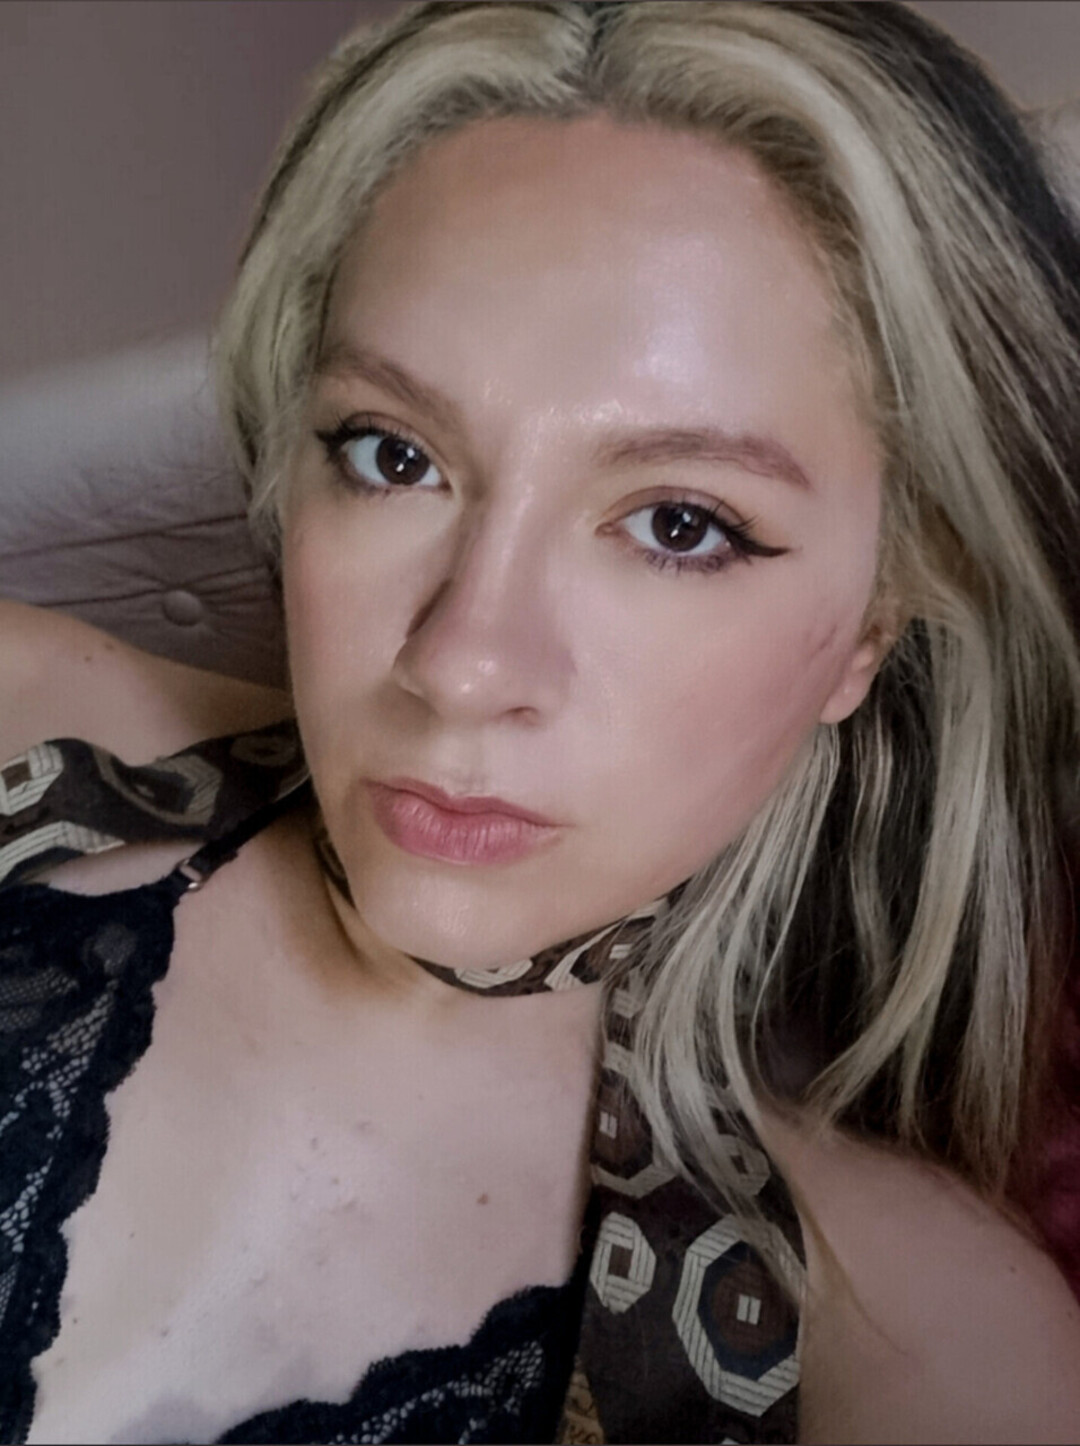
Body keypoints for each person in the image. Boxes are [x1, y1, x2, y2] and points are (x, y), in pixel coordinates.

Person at [3, 1, 1080, 1441]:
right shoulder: (26, 722)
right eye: (392, 455)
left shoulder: (916, 1346)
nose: (461, 665)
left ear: (871, 630)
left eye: (682, 523)